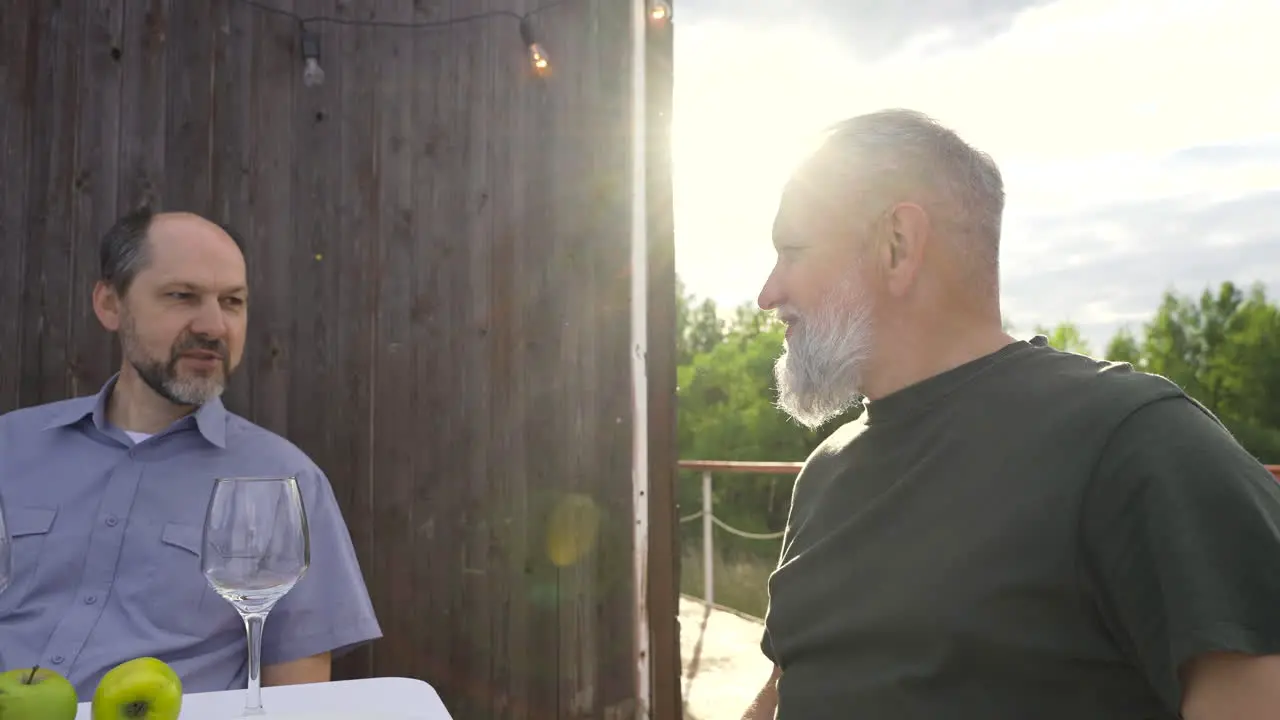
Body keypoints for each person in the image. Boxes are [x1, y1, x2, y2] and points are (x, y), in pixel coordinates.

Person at [742, 109, 1280, 719]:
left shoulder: (1134, 442)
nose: (768, 294)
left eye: (792, 251)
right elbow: (794, 685)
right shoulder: (825, 474)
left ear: (897, 246)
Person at [0, 208, 382, 700]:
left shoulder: (284, 482)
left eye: (233, 302)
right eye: (182, 296)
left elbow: (298, 699)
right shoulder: (11, 447)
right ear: (110, 304)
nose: (213, 325)